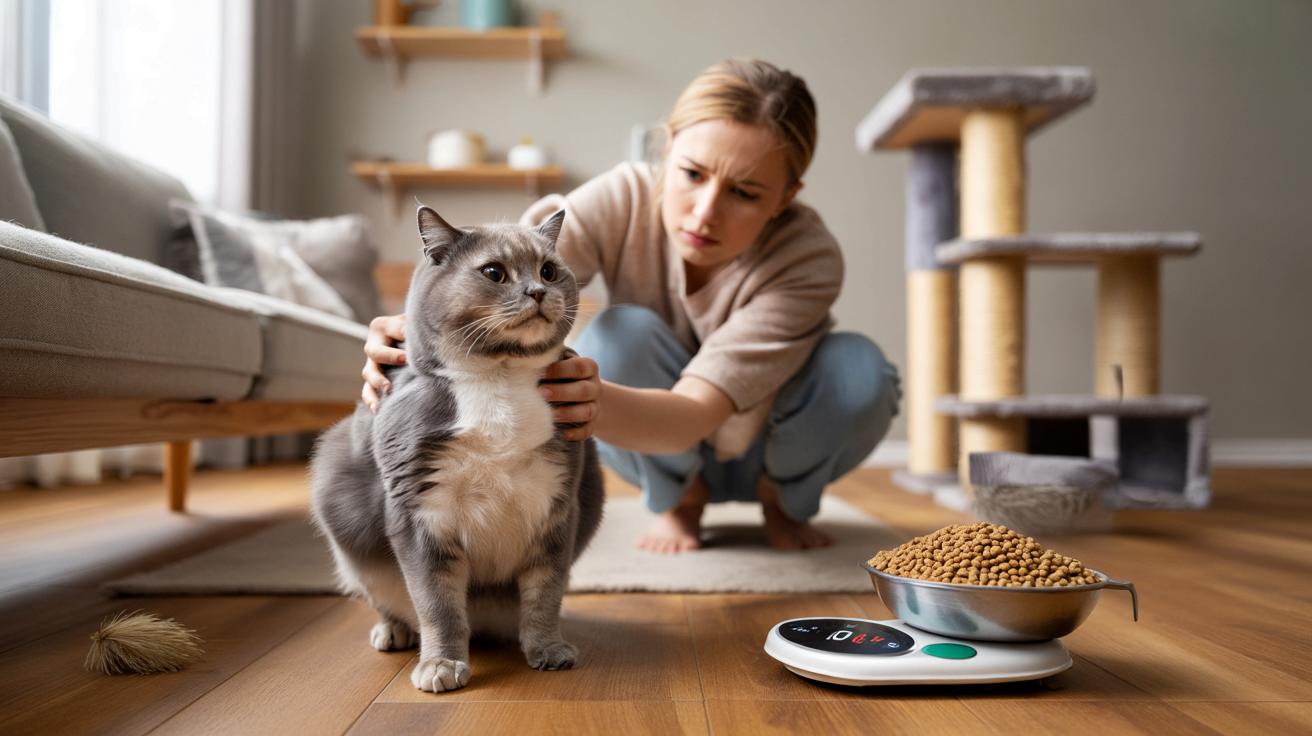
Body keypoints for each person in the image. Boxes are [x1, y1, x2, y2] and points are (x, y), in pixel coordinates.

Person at [362, 58, 901, 554]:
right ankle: (678, 499)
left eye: (745, 192)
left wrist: (588, 397)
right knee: (617, 333)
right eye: (692, 174)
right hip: (655, 446)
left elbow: (693, 414)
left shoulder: (807, 257)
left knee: (860, 371)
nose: (705, 212)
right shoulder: (621, 197)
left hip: (763, 439)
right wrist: (414, 336)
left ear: (786, 197)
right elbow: (502, 278)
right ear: (667, 149)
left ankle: (782, 500)